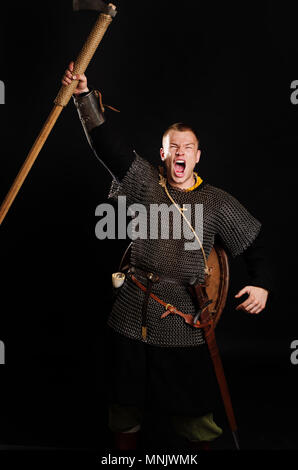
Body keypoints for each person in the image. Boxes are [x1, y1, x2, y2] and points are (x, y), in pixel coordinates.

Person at [62, 62, 272, 450]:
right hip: (131, 306)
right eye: (173, 147)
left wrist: (260, 283)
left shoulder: (216, 202)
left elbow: (253, 242)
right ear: (162, 153)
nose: (180, 153)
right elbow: (108, 146)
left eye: (187, 148)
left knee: (192, 412)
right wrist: (83, 98)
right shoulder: (146, 183)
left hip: (183, 318)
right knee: (123, 405)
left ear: (197, 157)